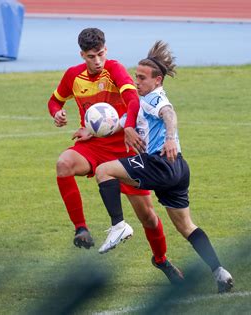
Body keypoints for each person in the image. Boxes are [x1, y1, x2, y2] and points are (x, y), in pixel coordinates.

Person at [95, 41, 234, 293]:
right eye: (135, 76)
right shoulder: (140, 102)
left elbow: (169, 113)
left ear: (157, 80)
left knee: (103, 170)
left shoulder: (155, 97)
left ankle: (119, 225)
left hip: (159, 164)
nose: (136, 82)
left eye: (141, 78)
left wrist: (170, 137)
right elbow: (118, 124)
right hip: (179, 168)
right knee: (186, 226)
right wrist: (89, 131)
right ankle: (220, 272)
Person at [47, 28, 184, 283]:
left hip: (124, 152)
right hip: (92, 146)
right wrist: (57, 113)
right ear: (82, 55)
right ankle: (81, 229)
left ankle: (162, 261)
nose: (97, 61)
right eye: (91, 56)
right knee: (63, 163)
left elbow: (133, 101)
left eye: (100, 54)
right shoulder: (73, 76)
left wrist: (129, 127)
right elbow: (54, 101)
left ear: (105, 50)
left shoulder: (115, 69)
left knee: (149, 219)